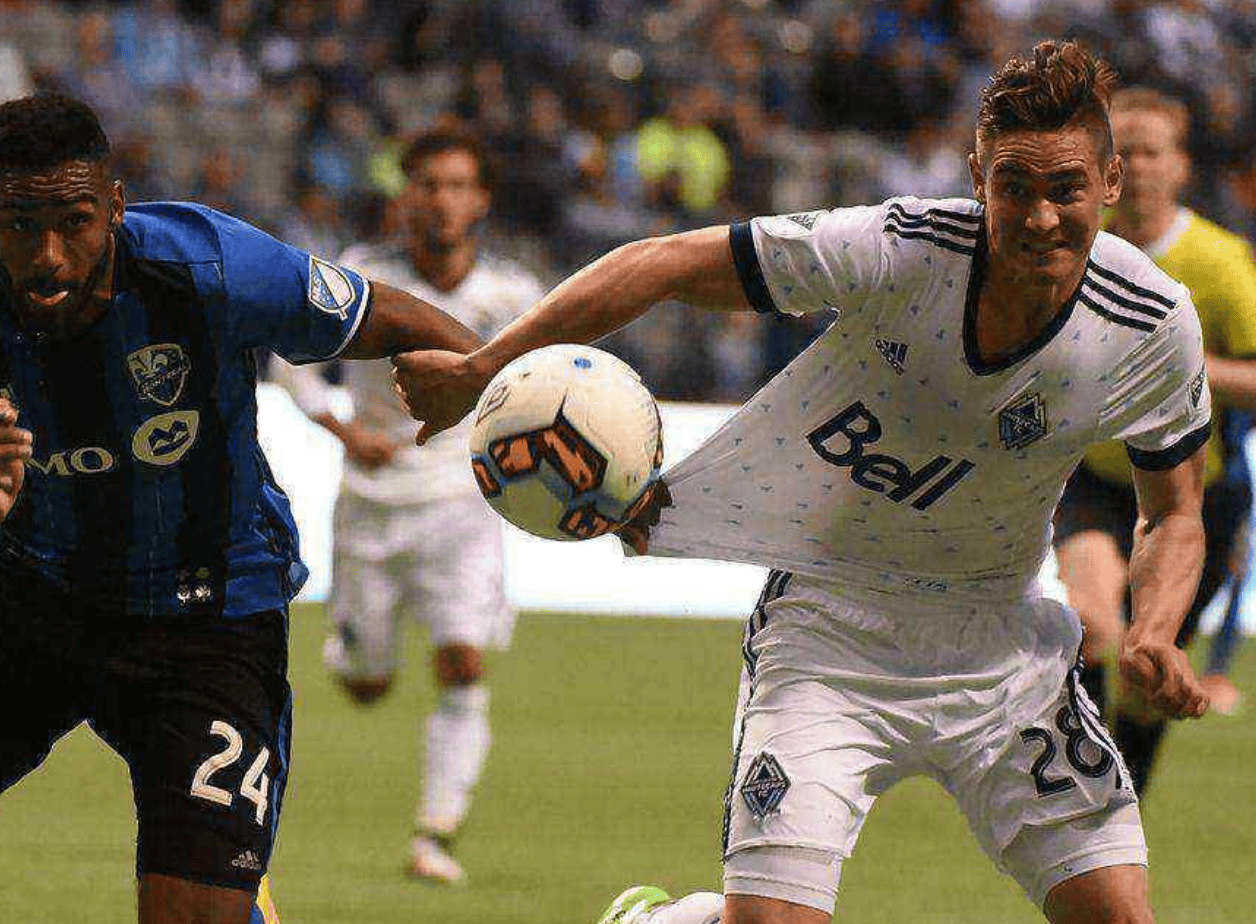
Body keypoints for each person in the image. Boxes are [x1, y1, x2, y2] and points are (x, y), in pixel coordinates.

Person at [395, 42, 1211, 924]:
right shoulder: (897, 248)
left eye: (1066, 189)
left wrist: (1154, 629)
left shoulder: (1150, 323)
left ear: (1109, 182)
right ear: (978, 178)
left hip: (1002, 648)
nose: (1040, 216)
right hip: (829, 635)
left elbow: (1173, 512)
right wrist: (481, 367)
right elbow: (663, 262)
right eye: (1014, 186)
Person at [0, 93, 481, 924]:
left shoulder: (210, 264)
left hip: (207, 610)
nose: (49, 256)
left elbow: (382, 314)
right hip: (24, 592)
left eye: (75, 221)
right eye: (20, 224)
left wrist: (491, 376)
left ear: (116, 207)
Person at [270, 129, 544, 883]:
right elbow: (290, 360)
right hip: (370, 504)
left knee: (462, 661)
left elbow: (542, 386)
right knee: (366, 686)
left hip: (461, 503)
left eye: (457, 186)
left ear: (480, 200)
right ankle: (353, 649)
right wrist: (343, 430)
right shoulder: (361, 277)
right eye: (427, 185)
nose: (441, 200)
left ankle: (435, 835)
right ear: (404, 196)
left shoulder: (512, 296)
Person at [1052, 86, 1256, 792]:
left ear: (1180, 166)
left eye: (1150, 152)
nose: (1136, 167)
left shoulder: (1221, 262)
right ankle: (1075, 783)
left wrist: (1185, 364)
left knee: (1146, 675)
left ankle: (1116, 802)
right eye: (1123, 153)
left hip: (1192, 494)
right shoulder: (1072, 247)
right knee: (1090, 623)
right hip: (1095, 477)